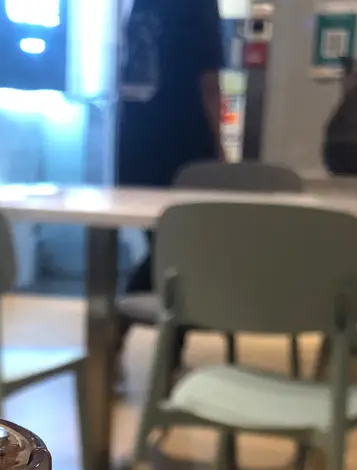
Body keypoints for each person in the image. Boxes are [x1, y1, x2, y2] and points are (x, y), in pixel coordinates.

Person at [116, 0, 224, 351]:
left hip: (135, 141)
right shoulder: (200, 6)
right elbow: (209, 83)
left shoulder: (141, 5)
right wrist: (221, 148)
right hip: (184, 142)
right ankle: (165, 352)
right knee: (180, 250)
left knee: (166, 246)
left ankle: (122, 334)